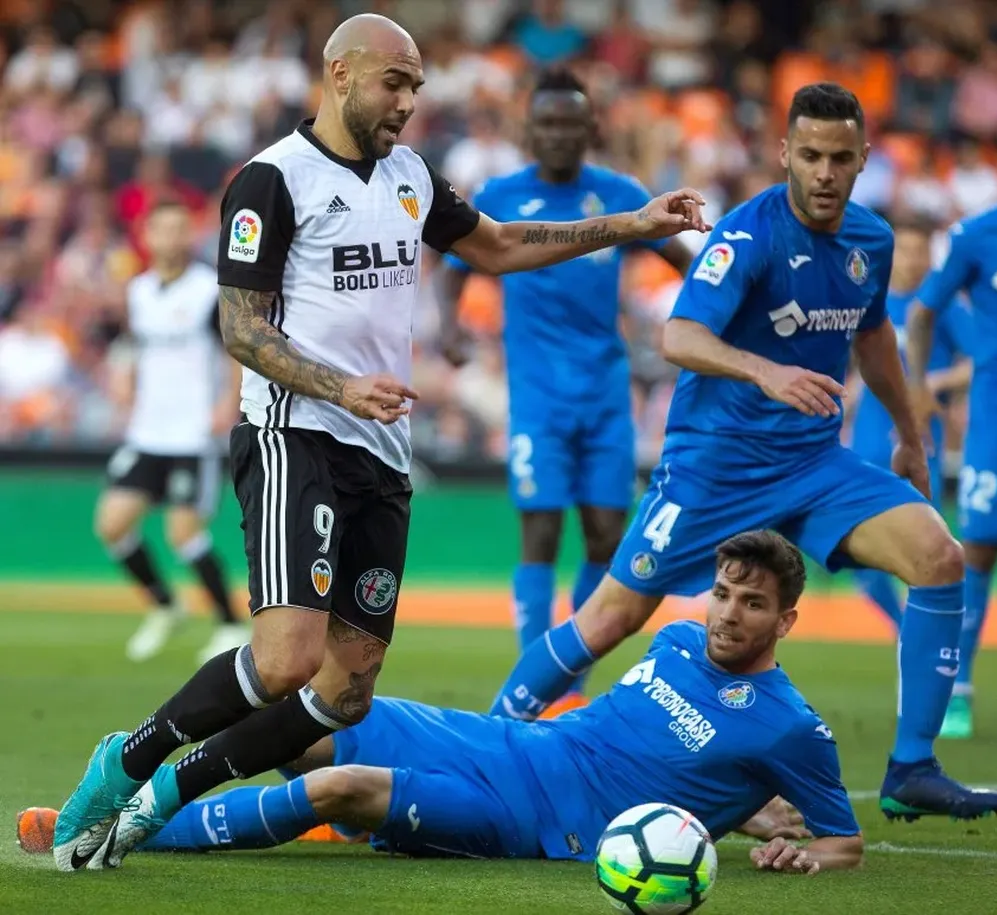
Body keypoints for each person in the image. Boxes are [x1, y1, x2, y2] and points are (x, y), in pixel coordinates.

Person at [52, 13, 709, 873]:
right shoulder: (270, 180)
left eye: (416, 86)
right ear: (339, 74)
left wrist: (631, 225)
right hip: (296, 432)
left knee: (346, 689)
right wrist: (339, 384)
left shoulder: (409, 176)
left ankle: (171, 792)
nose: (408, 101)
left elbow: (500, 244)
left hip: (380, 453)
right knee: (288, 657)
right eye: (394, 82)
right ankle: (129, 759)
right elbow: (241, 329)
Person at [489, 81, 997, 822]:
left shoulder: (871, 241)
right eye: (812, 155)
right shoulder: (747, 235)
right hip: (715, 466)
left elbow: (874, 336)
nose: (825, 173)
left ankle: (912, 764)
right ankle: (495, 742)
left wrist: (911, 437)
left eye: (841, 158)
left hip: (814, 464)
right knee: (611, 617)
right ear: (786, 153)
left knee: (940, 555)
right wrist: (766, 370)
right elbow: (679, 336)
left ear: (862, 162)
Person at [28, 532, 863, 875]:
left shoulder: (791, 725)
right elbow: (672, 755)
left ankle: (131, 832)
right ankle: (132, 793)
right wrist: (742, 810)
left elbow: (844, 840)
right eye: (722, 593)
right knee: (321, 720)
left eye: (751, 604)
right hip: (522, 745)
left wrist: (802, 852)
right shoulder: (676, 640)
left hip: (551, 823)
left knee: (339, 786)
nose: (727, 613)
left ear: (785, 617)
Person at [436, 66, 693, 707]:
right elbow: (451, 265)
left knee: (607, 536)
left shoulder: (617, 194)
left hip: (605, 393)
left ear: (590, 129)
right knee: (541, 532)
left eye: (569, 124)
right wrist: (450, 328)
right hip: (537, 397)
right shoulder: (499, 194)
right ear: (529, 130)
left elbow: (683, 259)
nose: (557, 134)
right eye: (546, 123)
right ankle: (536, 679)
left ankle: (569, 672)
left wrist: (721, 295)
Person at [96, 199, 247, 665]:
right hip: (148, 431)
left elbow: (235, 348)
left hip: (192, 432)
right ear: (147, 236)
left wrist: (230, 401)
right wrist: (122, 377)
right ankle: (165, 605)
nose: (171, 238)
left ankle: (229, 622)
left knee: (183, 532)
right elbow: (131, 345)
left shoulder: (207, 290)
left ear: (190, 236)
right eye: (162, 229)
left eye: (180, 229)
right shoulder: (140, 291)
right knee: (112, 524)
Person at [847, 216, 973, 629]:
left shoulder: (938, 306)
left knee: (925, 552)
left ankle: (928, 638)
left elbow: (979, 360)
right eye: (906, 249)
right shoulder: (867, 300)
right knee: (859, 556)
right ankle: (904, 629)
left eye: (922, 250)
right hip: (867, 447)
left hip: (921, 447)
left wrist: (932, 382)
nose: (913, 259)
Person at [907, 203, 997, 739]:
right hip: (994, 421)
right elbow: (923, 312)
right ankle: (958, 685)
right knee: (981, 544)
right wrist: (918, 387)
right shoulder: (977, 236)